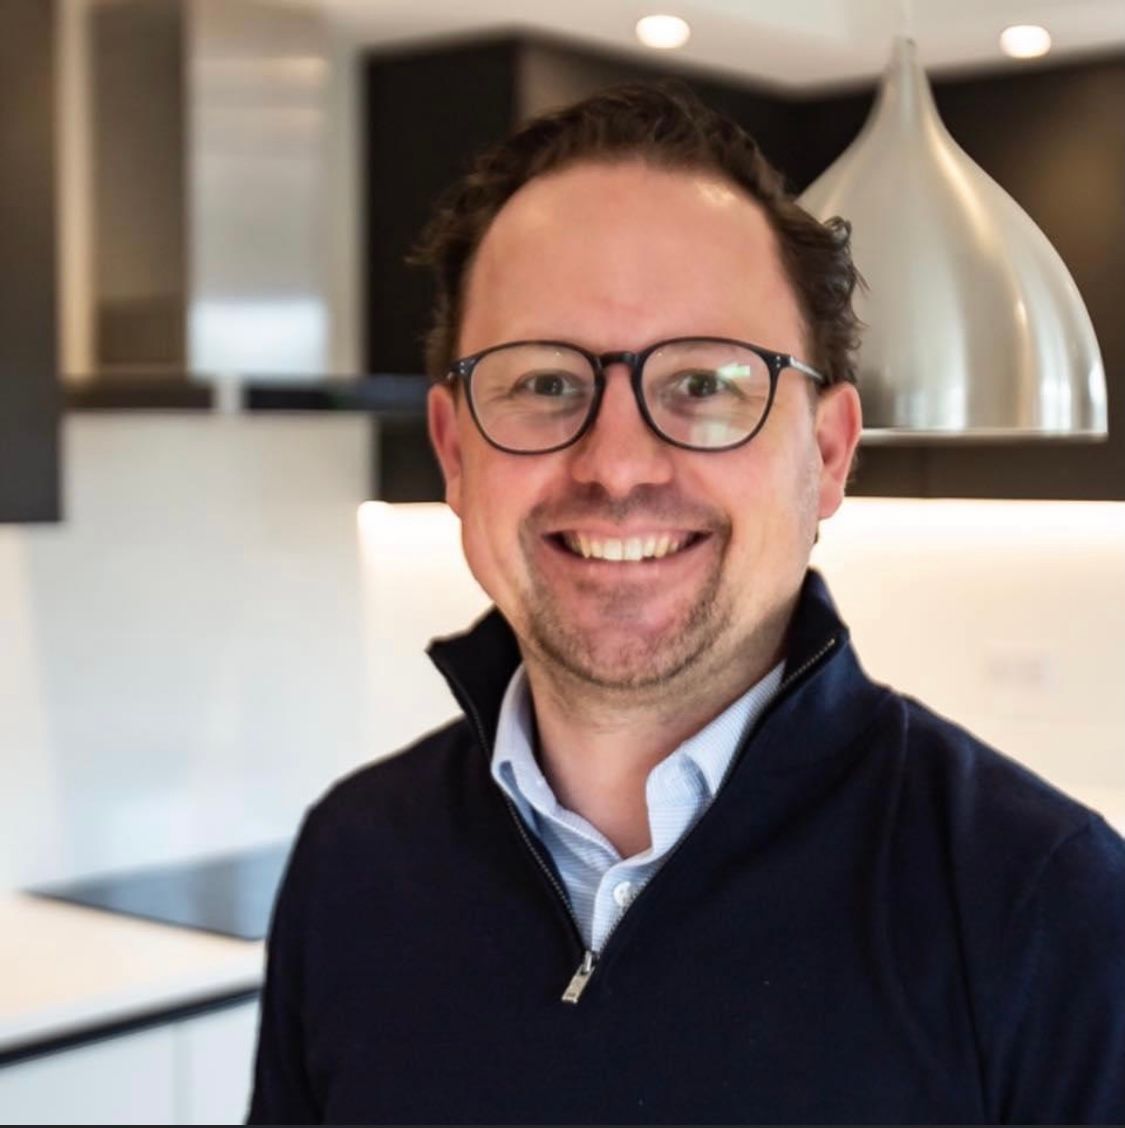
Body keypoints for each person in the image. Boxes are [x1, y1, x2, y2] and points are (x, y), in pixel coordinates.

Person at [248, 83, 1125, 1124]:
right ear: (452, 451)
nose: (617, 465)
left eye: (706, 385)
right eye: (543, 383)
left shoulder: (1045, 908)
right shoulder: (351, 860)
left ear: (829, 454)